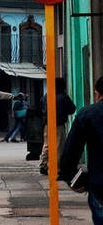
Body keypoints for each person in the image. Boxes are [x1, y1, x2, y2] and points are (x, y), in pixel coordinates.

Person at [58, 77, 103, 223]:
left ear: (97, 94)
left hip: (100, 185)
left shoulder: (88, 114)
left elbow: (70, 152)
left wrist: (70, 177)